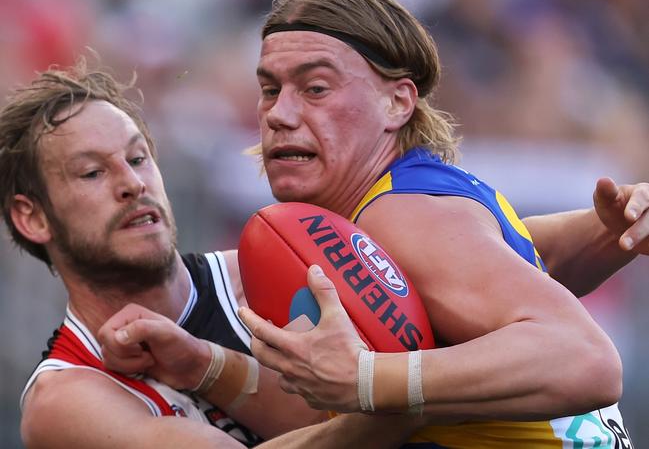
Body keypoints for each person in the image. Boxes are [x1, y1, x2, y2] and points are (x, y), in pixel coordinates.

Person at [233, 0, 648, 447]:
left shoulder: (400, 215)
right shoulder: (412, 202)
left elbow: (586, 359)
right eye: (270, 89)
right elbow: (517, 266)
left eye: (316, 89)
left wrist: (369, 379)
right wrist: (608, 233)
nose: (278, 114)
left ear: (397, 102)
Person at [0, 58, 427, 449]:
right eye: (92, 172)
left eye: (138, 158)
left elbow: (326, 417)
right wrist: (408, 400)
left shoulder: (277, 274)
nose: (133, 183)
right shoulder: (64, 397)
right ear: (32, 217)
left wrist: (205, 364)